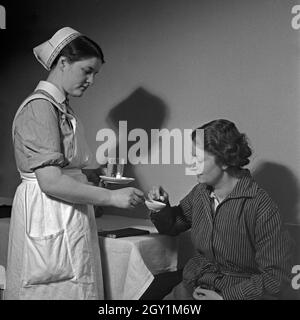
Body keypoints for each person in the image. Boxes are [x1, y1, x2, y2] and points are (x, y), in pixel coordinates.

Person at [6, 27, 144, 300]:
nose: (91, 80)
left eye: (95, 74)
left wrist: (91, 174)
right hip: (48, 210)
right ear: (63, 62)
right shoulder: (40, 107)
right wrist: (111, 198)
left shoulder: (61, 108)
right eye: (87, 70)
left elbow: (62, 167)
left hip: (67, 212)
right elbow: (51, 181)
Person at [148, 119, 292, 300]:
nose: (191, 165)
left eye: (199, 158)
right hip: (191, 286)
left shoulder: (261, 206)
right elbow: (172, 226)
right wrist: (161, 207)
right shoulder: (200, 193)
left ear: (225, 160)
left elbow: (276, 279)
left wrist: (226, 298)